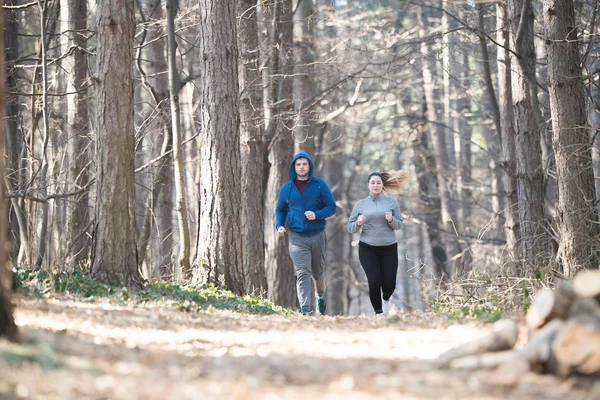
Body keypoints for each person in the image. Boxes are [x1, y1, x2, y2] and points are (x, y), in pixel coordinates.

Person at [276, 152, 337, 315]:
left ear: (309, 166)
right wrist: (279, 226)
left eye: (304, 164)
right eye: (298, 164)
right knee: (302, 272)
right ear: (293, 167)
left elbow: (332, 207)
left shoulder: (319, 185)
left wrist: (317, 214)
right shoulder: (286, 188)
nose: (301, 167)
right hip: (296, 237)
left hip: (317, 235)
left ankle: (320, 295)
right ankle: (305, 310)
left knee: (317, 272)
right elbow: (280, 209)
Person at [347, 171, 408, 316]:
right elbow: (350, 227)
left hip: (389, 248)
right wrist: (358, 223)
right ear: (368, 185)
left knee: (389, 284)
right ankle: (379, 313)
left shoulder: (391, 202)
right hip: (367, 248)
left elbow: (399, 225)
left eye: (378, 183)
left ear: (382, 185)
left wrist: (391, 219)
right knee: (374, 280)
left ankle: (386, 299)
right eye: (372, 183)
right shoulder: (361, 205)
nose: (375, 185)